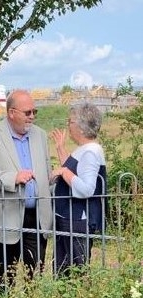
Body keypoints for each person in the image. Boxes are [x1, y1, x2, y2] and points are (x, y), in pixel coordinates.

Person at [0, 89, 52, 292]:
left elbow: (46, 169)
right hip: (6, 215)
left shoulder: (40, 135)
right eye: (28, 112)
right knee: (5, 275)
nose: (32, 116)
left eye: (35, 112)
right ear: (11, 112)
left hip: (36, 216)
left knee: (35, 272)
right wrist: (11, 178)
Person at [50, 102, 107, 277]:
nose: (68, 125)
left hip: (77, 220)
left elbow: (86, 189)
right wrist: (60, 149)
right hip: (69, 218)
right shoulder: (85, 150)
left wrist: (64, 172)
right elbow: (75, 172)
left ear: (81, 127)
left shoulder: (90, 152)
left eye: (70, 122)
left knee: (74, 271)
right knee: (63, 269)